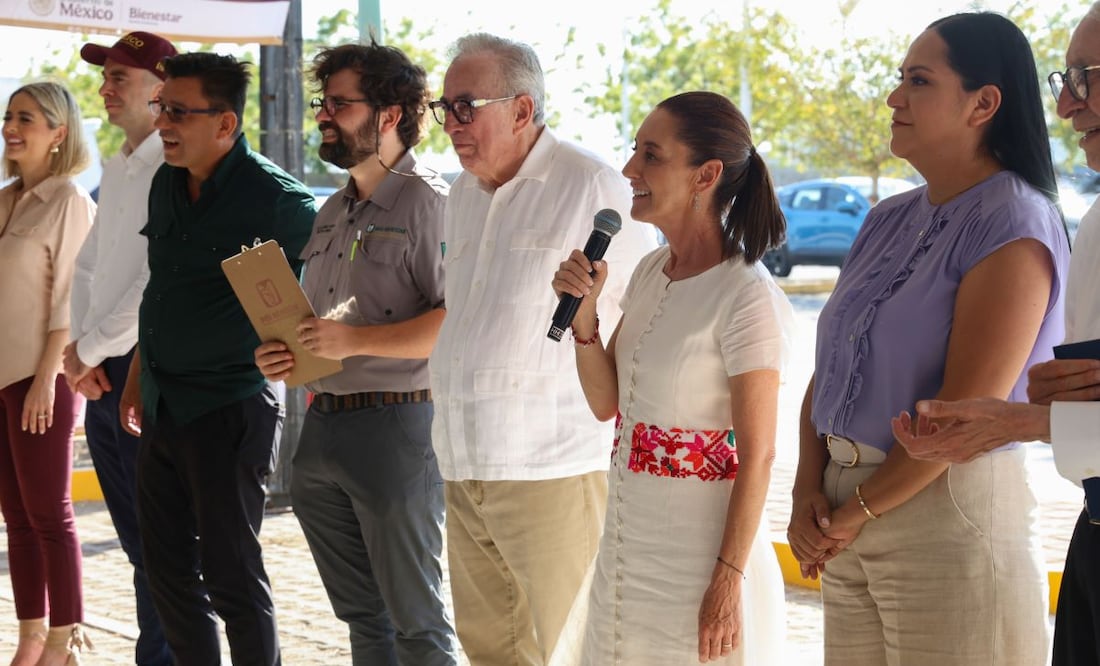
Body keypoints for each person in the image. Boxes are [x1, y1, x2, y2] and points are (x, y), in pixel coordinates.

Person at [786, 12, 1070, 665]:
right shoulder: (886, 219)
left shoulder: (1014, 222)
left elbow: (963, 411)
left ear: (984, 104)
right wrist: (809, 490)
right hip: (846, 511)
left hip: (945, 515)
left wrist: (854, 509)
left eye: (918, 80)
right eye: (899, 79)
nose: (894, 98)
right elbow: (830, 371)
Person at [427, 33, 654, 664]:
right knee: (489, 649)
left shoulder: (592, 185)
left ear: (522, 110)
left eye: (466, 107)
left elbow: (636, 322)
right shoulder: (460, 196)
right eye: (444, 108)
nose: (451, 124)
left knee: (573, 645)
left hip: (552, 464)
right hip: (465, 460)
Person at [891, 5, 1100, 665]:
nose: (1067, 105)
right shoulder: (1094, 220)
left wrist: (1027, 424)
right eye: (1063, 80)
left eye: (1087, 77)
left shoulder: (1018, 221)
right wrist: (1039, 417)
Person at [551, 91, 791, 665]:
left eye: (651, 156)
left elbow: (757, 455)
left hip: (700, 555)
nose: (631, 170)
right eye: (634, 152)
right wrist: (584, 322)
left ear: (705, 174)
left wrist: (727, 581)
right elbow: (608, 403)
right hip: (627, 542)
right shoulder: (651, 270)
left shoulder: (747, 295)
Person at [254, 42, 459, 665]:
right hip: (322, 431)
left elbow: (456, 324)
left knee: (417, 623)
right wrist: (290, 353)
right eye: (324, 102)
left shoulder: (432, 202)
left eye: (340, 103)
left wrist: (354, 342)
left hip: (399, 428)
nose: (324, 114)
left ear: (391, 114)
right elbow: (330, 323)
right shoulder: (332, 210)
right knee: (362, 619)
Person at [118, 52, 315, 666]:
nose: (163, 123)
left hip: (231, 406)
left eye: (178, 111)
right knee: (167, 573)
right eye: (161, 107)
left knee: (231, 574)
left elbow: (336, 287)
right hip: (164, 402)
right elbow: (162, 290)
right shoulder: (164, 182)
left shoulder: (278, 200)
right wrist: (134, 379)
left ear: (225, 124)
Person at [63, 31, 178, 666]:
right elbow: (89, 267)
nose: (104, 89)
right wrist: (81, 352)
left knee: (160, 546)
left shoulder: (172, 164)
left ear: (161, 89)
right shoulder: (122, 163)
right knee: (140, 545)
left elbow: (153, 280)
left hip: (140, 368)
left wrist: (91, 350)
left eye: (118, 78)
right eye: (105, 77)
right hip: (102, 367)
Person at [0, 81, 95, 665]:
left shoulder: (70, 202)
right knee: (16, 518)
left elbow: (69, 304)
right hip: (1, 378)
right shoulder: (7, 199)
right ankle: (31, 635)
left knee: (50, 515)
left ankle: (64, 642)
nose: (12, 128)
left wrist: (44, 379)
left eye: (26, 119)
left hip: (43, 380)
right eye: (9, 116)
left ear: (58, 133)